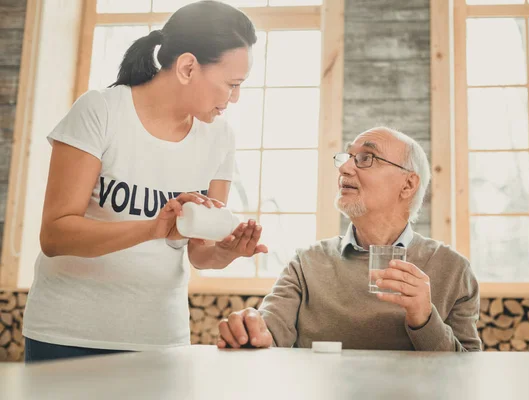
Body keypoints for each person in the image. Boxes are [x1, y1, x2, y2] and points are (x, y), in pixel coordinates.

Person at [23, 1, 267, 363]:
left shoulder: (219, 137)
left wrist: (225, 252)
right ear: (187, 67)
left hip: (160, 338)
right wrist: (153, 228)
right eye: (231, 84)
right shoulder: (101, 110)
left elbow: (198, 252)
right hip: (66, 333)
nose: (235, 98)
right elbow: (55, 235)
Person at [217, 127, 481, 352]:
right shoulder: (306, 264)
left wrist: (424, 320)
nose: (344, 168)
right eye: (347, 157)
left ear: (408, 185)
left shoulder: (454, 270)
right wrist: (251, 332)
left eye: (366, 158)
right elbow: (269, 333)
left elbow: (468, 369)